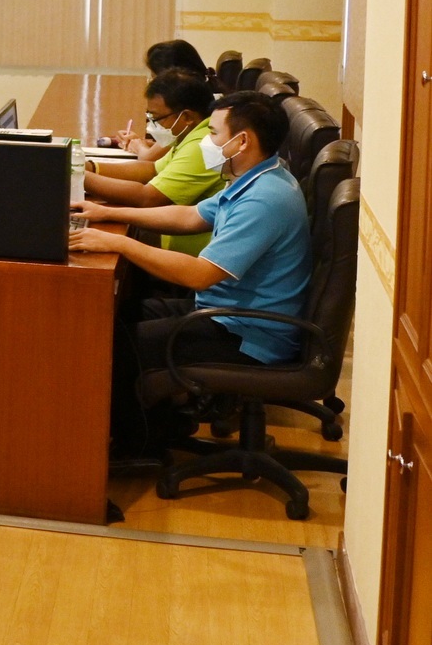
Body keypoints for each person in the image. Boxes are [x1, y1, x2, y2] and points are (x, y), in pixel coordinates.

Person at [73, 92, 312, 451]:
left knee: (116, 345)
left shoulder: (265, 198)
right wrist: (109, 213)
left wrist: (119, 243)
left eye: (214, 133)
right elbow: (190, 215)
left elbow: (199, 275)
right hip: (226, 310)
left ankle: (140, 444)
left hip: (248, 333)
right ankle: (164, 424)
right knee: (114, 316)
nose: (207, 142)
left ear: (242, 141)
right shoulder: (258, 177)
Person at [82, 69, 221, 253]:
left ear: (187, 116)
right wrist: (89, 167)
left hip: (191, 257)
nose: (151, 126)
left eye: (157, 118)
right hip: (172, 244)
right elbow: (151, 170)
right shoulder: (191, 134)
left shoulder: (203, 145)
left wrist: (76, 175)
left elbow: (147, 198)